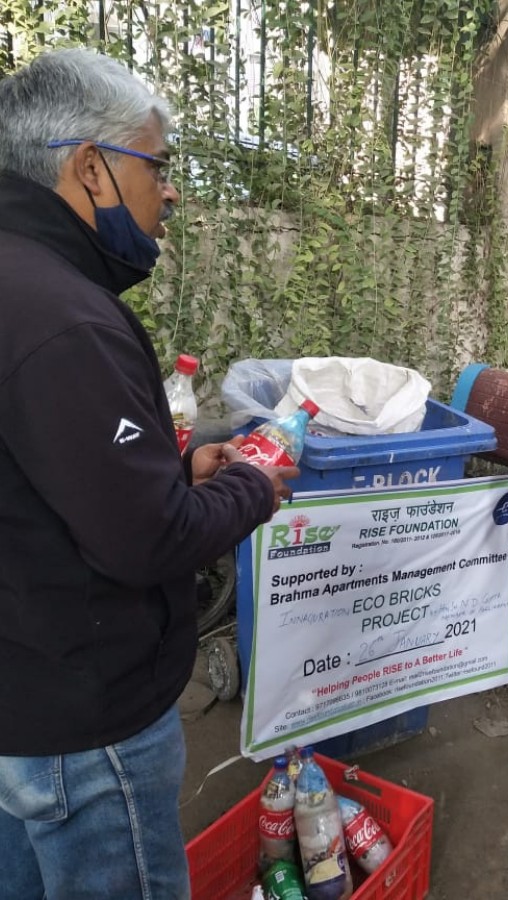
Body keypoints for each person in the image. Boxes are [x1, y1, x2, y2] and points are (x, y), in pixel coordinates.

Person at [0, 48, 298, 897]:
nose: (170, 192)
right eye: (158, 166)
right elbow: (148, 539)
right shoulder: (63, 318)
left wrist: (170, 463)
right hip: (87, 723)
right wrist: (250, 485)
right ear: (90, 167)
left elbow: (38, 475)